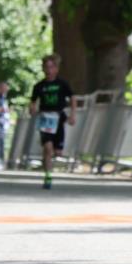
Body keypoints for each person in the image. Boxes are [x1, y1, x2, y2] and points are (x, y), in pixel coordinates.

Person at [29, 54, 76, 189]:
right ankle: (48, 175)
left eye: (51, 67)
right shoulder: (39, 86)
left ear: (56, 69)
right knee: (47, 148)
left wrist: (73, 115)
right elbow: (33, 101)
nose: (49, 70)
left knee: (57, 152)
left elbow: (72, 98)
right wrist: (32, 108)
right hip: (45, 119)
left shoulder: (62, 84)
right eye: (46, 67)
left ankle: (51, 157)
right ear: (43, 69)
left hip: (59, 118)